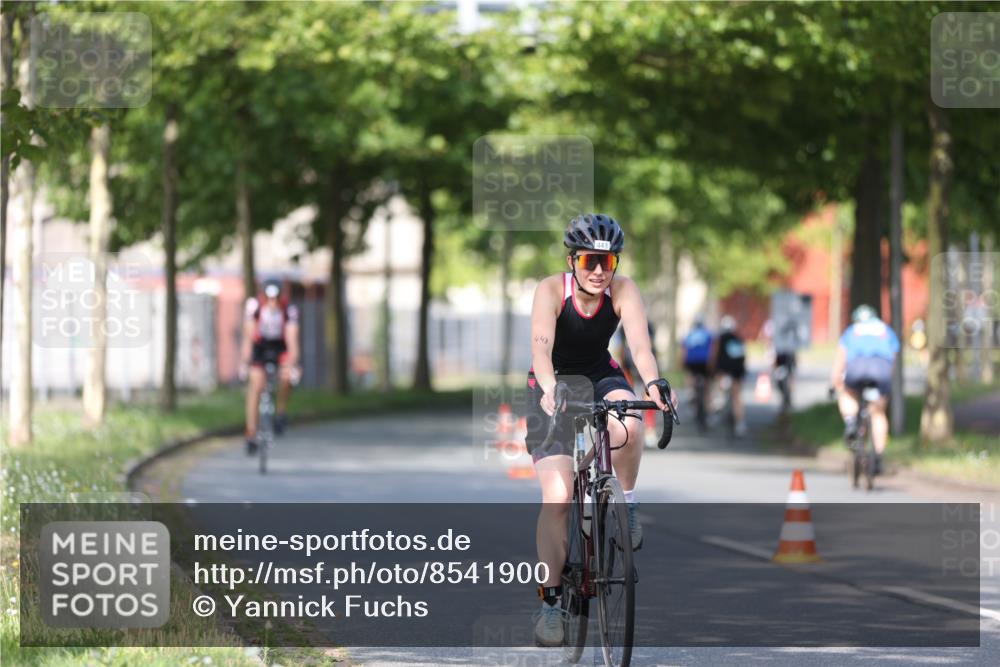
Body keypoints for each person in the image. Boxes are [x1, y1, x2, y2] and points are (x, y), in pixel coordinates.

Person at [524, 213, 674, 647]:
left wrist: (654, 384)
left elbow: (640, 347)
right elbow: (541, 350)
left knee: (630, 422)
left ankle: (626, 501)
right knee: (557, 498)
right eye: (590, 260)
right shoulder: (551, 290)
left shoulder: (624, 291)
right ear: (572, 260)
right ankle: (551, 603)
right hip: (552, 381)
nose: (598, 271)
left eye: (607, 262)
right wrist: (550, 389)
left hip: (599, 373)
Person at [831, 304, 900, 475]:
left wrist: (836, 381)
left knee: (848, 393)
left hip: (857, 367)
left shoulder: (851, 331)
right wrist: (886, 383)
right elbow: (893, 359)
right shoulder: (886, 331)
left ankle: (851, 423)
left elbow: (841, 359)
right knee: (878, 413)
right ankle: (878, 456)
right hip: (881, 369)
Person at [239, 278, 300, 455]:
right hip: (260, 346)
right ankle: (251, 430)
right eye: (269, 298)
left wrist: (293, 364)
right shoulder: (254, 307)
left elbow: (292, 340)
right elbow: (248, 338)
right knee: (256, 385)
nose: (273, 302)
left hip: (280, 346)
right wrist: (244, 362)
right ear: (264, 296)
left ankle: (280, 413)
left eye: (276, 298)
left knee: (287, 376)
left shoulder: (289, 310)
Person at [709, 315, 747, 436]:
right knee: (737, 397)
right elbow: (743, 357)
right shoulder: (738, 339)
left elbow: (714, 356)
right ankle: (740, 423)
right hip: (737, 372)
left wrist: (712, 370)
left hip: (724, 371)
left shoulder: (720, 339)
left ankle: (715, 412)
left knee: (718, 390)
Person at [682, 315, 713, 428]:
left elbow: (684, 349)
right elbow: (712, 348)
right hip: (704, 362)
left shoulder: (689, 334)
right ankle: (708, 407)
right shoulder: (708, 333)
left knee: (691, 377)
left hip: (692, 362)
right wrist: (712, 363)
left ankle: (691, 393)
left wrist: (683, 362)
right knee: (706, 386)